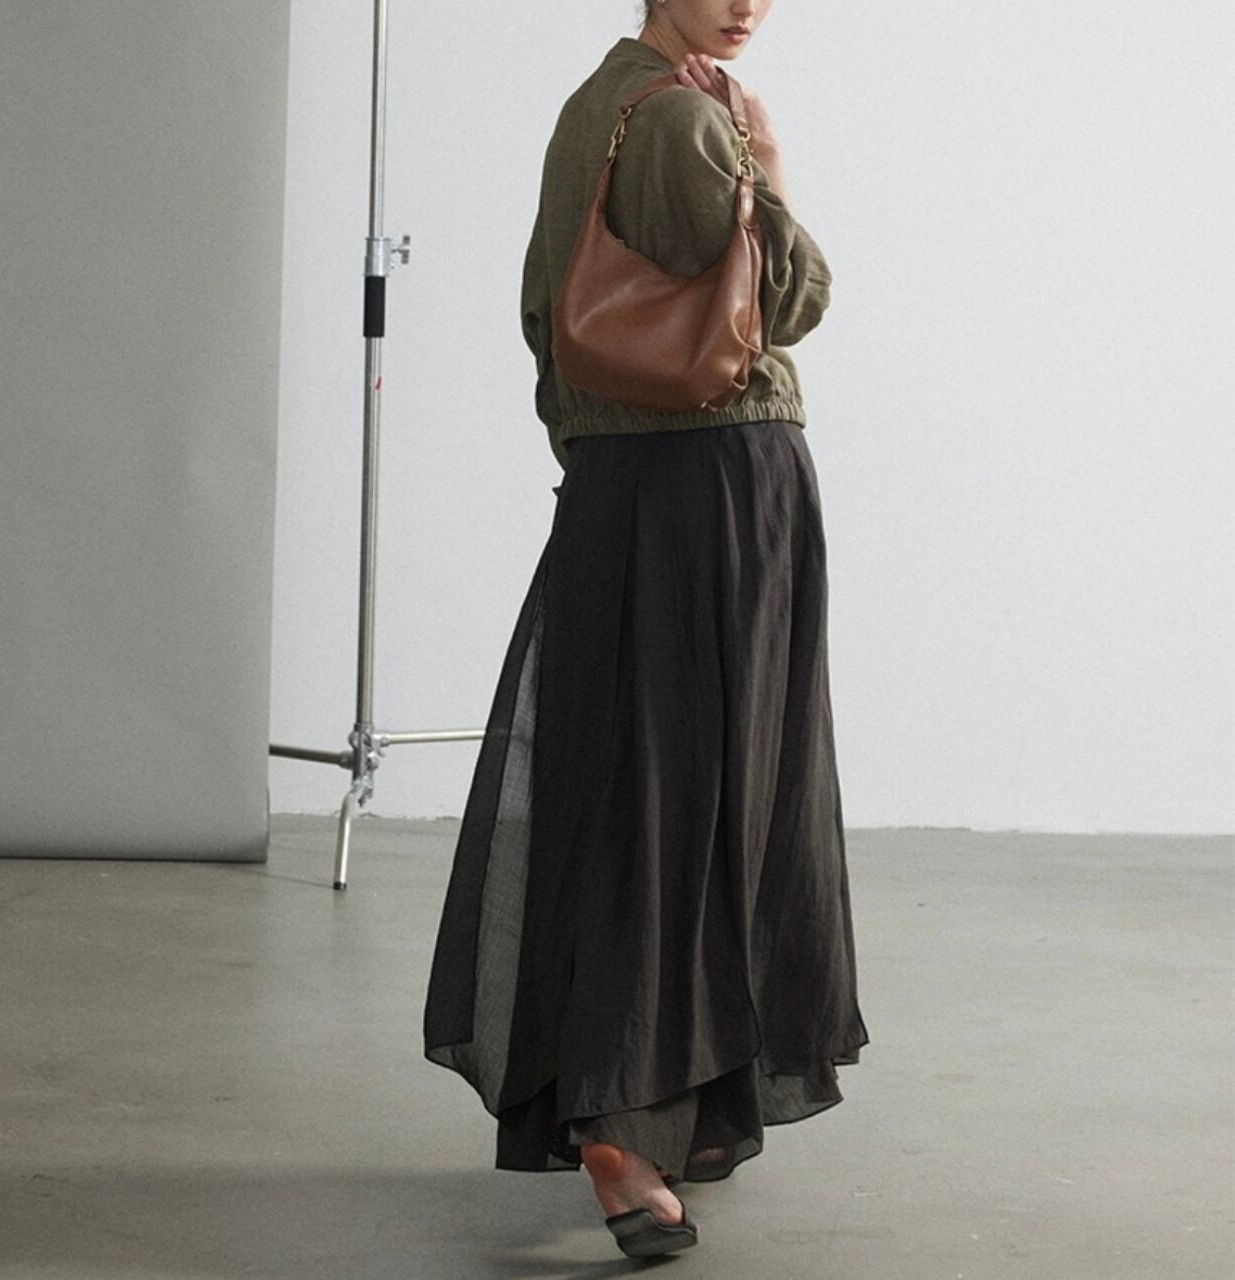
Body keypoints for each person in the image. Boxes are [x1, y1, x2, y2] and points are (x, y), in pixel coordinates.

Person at [423, 0, 869, 1258]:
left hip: (637, 485)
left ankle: (670, 1104)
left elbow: (546, 316)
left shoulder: (597, 106)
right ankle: (620, 1131)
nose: (747, 2)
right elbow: (789, 297)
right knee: (685, 806)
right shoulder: (680, 120)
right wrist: (767, 164)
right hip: (709, 487)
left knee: (646, 793)